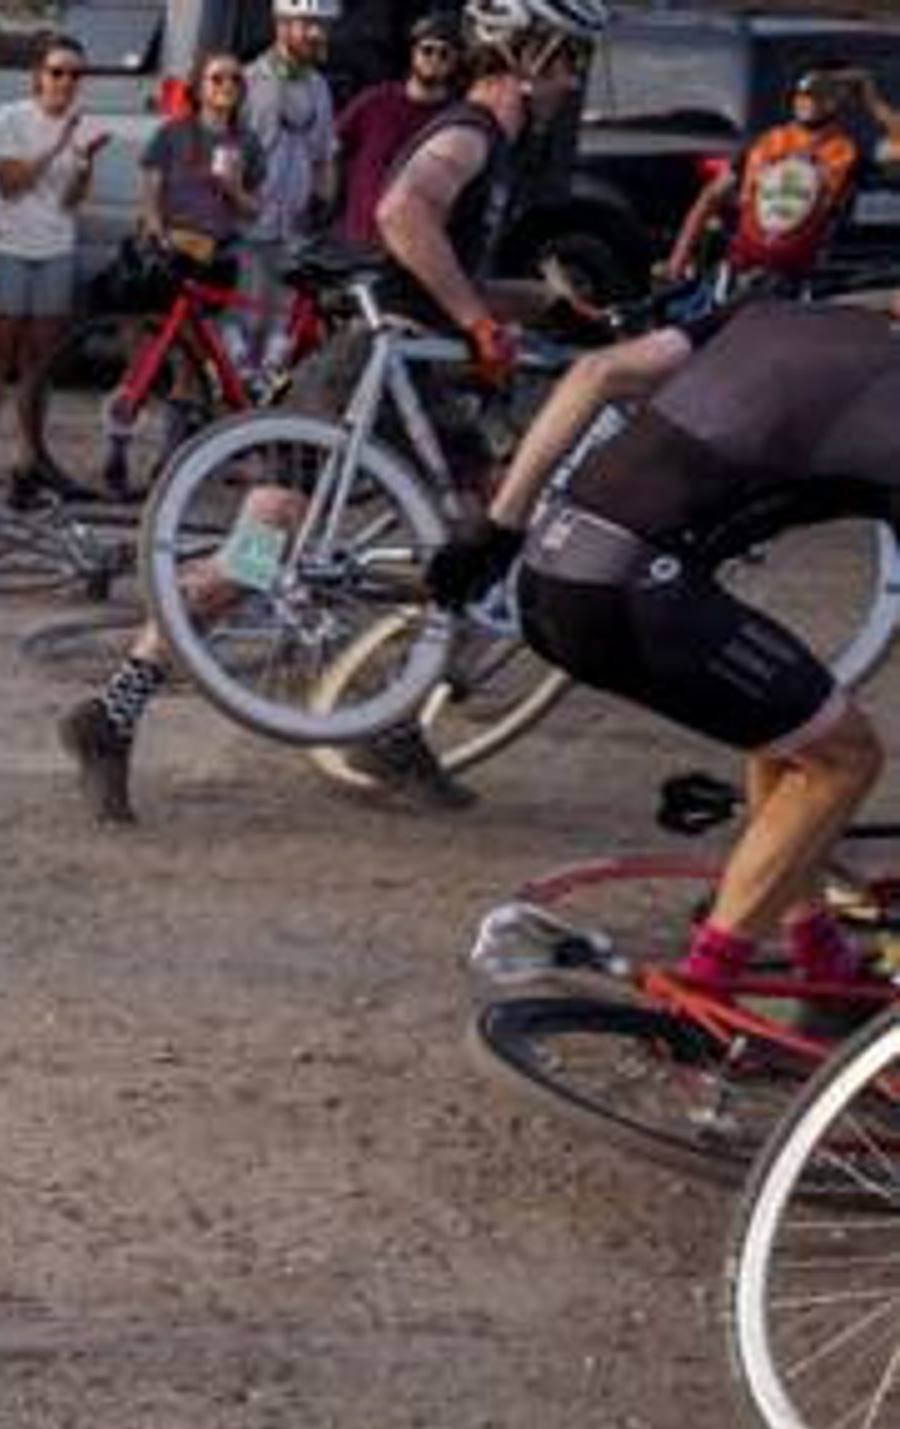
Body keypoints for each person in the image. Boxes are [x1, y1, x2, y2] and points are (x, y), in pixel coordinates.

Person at [56, 1, 608, 827]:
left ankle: (389, 724)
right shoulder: (471, 136)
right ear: (529, 57)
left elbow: (432, 271)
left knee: (482, 535)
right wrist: (478, 319)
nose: (572, 79)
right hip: (366, 377)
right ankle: (114, 713)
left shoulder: (489, 146)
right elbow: (401, 216)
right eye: (569, 60)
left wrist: (548, 309)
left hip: (408, 382)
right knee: (262, 559)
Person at [433, 296, 900, 1003]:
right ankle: (708, 986)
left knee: (797, 723)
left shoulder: (773, 314)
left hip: (548, 564)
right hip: (633, 588)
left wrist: (496, 529)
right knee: (846, 758)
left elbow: (598, 373)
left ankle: (817, 951)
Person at [0, 29, 100, 487]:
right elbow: (10, 183)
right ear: (38, 75)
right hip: (5, 246)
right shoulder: (10, 117)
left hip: (55, 246)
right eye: (57, 72)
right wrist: (60, 144)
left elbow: (72, 200)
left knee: (41, 363)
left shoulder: (82, 125)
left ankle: (32, 454)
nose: (66, 82)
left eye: (76, 75)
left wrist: (85, 162)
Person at [661, 61, 900, 298]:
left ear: (840, 100)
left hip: (799, 282)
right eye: (803, 93)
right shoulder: (767, 143)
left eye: (821, 92)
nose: (809, 100)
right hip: (740, 272)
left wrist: (872, 100)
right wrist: (678, 260)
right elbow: (710, 196)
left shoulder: (847, 152)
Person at [239, 0, 337, 361]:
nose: (318, 33)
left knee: (281, 338)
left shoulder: (319, 86)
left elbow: (323, 156)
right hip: (249, 231)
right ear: (281, 25)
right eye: (308, 24)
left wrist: (323, 208)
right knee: (243, 328)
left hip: (294, 236)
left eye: (323, 26)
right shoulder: (247, 81)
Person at [331, 10, 458, 251]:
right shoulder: (375, 101)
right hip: (359, 242)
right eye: (427, 50)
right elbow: (330, 147)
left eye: (444, 54)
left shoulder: (456, 119)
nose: (434, 58)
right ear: (413, 53)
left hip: (415, 248)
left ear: (454, 62)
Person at [135, 51, 256, 288]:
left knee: (210, 312)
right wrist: (159, 240)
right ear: (199, 88)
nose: (228, 85)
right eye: (217, 78)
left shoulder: (248, 141)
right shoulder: (171, 133)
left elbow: (254, 210)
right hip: (173, 252)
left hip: (219, 256)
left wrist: (233, 190)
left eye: (236, 79)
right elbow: (150, 198)